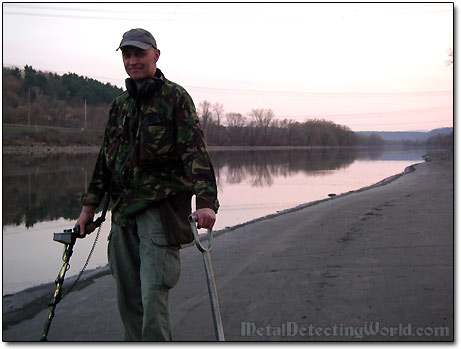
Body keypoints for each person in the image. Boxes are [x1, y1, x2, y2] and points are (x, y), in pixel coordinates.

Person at [75, 28, 219, 341]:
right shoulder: (120, 105)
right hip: (123, 214)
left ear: (155, 55)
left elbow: (195, 151)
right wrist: (88, 209)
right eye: (127, 55)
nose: (132, 60)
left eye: (139, 53)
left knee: (153, 294)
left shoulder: (175, 98)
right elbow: (105, 160)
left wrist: (206, 202)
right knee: (128, 299)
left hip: (160, 210)